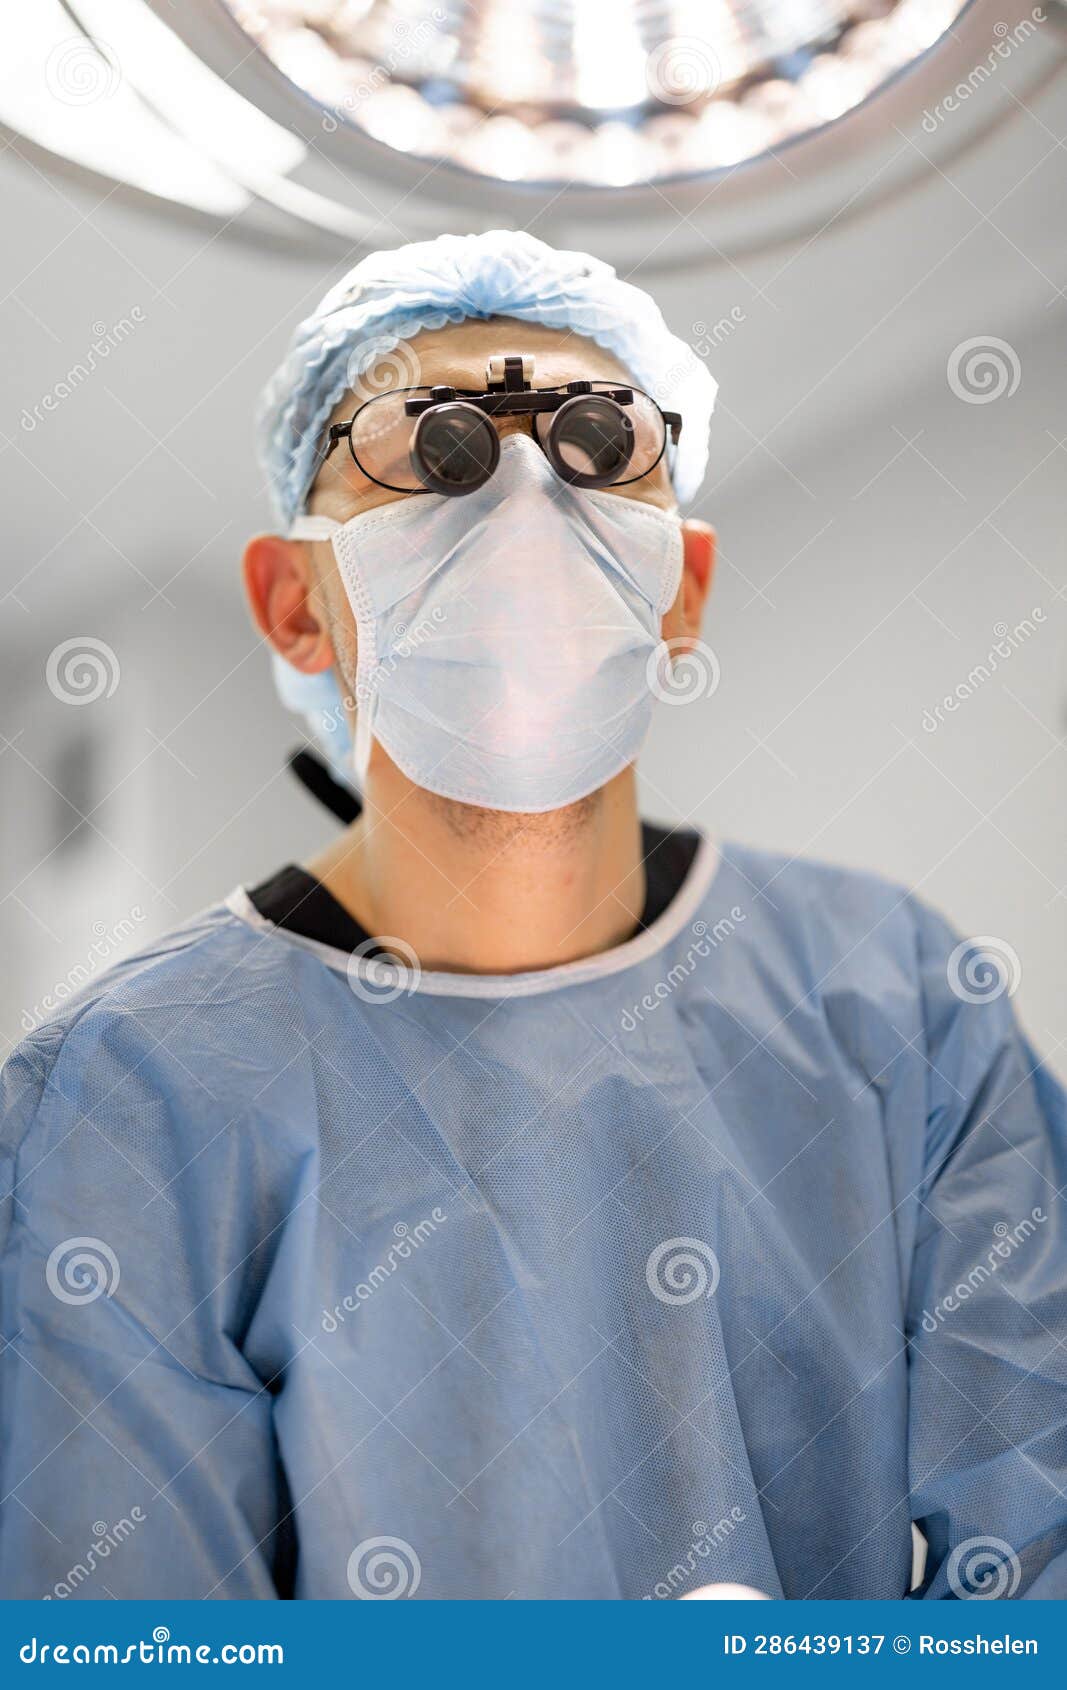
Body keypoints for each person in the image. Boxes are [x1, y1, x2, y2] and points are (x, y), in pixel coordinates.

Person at [1, 232, 1064, 1602]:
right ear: (295, 604)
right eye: (430, 444)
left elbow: (1037, 1566)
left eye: (599, 442)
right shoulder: (125, 1095)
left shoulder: (899, 999)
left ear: (683, 590)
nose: (520, 492)